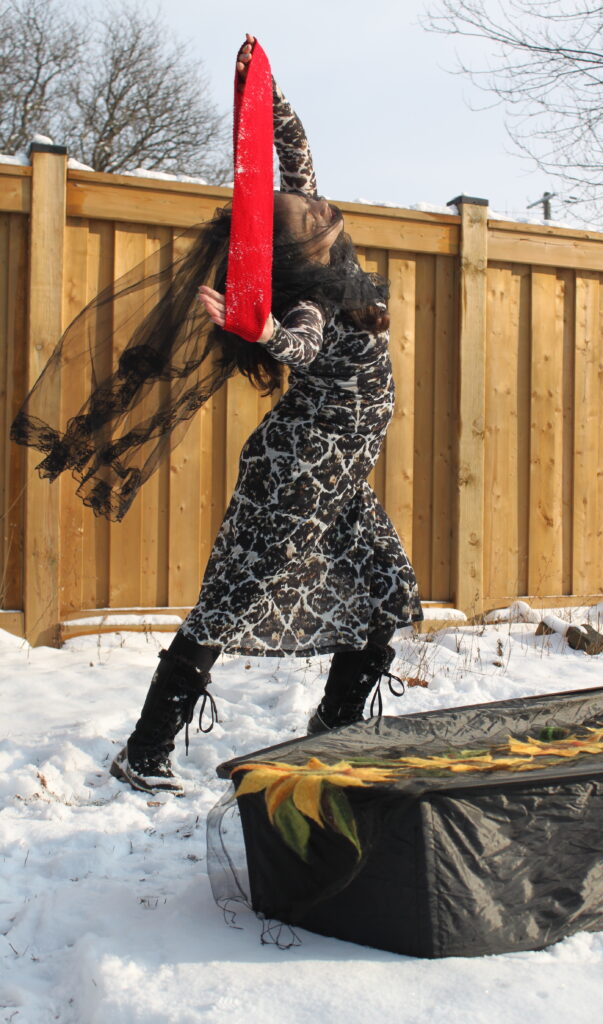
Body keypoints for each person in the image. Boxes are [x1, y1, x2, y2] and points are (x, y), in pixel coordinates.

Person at [104, 35, 423, 794]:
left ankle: (333, 731)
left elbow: (294, 160)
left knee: (384, 593)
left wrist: (264, 92)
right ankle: (143, 754)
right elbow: (302, 346)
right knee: (226, 604)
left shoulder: (324, 254)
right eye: (308, 212)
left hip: (336, 475)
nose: (317, 203)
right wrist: (263, 333)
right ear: (300, 248)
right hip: (294, 472)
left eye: (315, 204)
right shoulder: (310, 297)